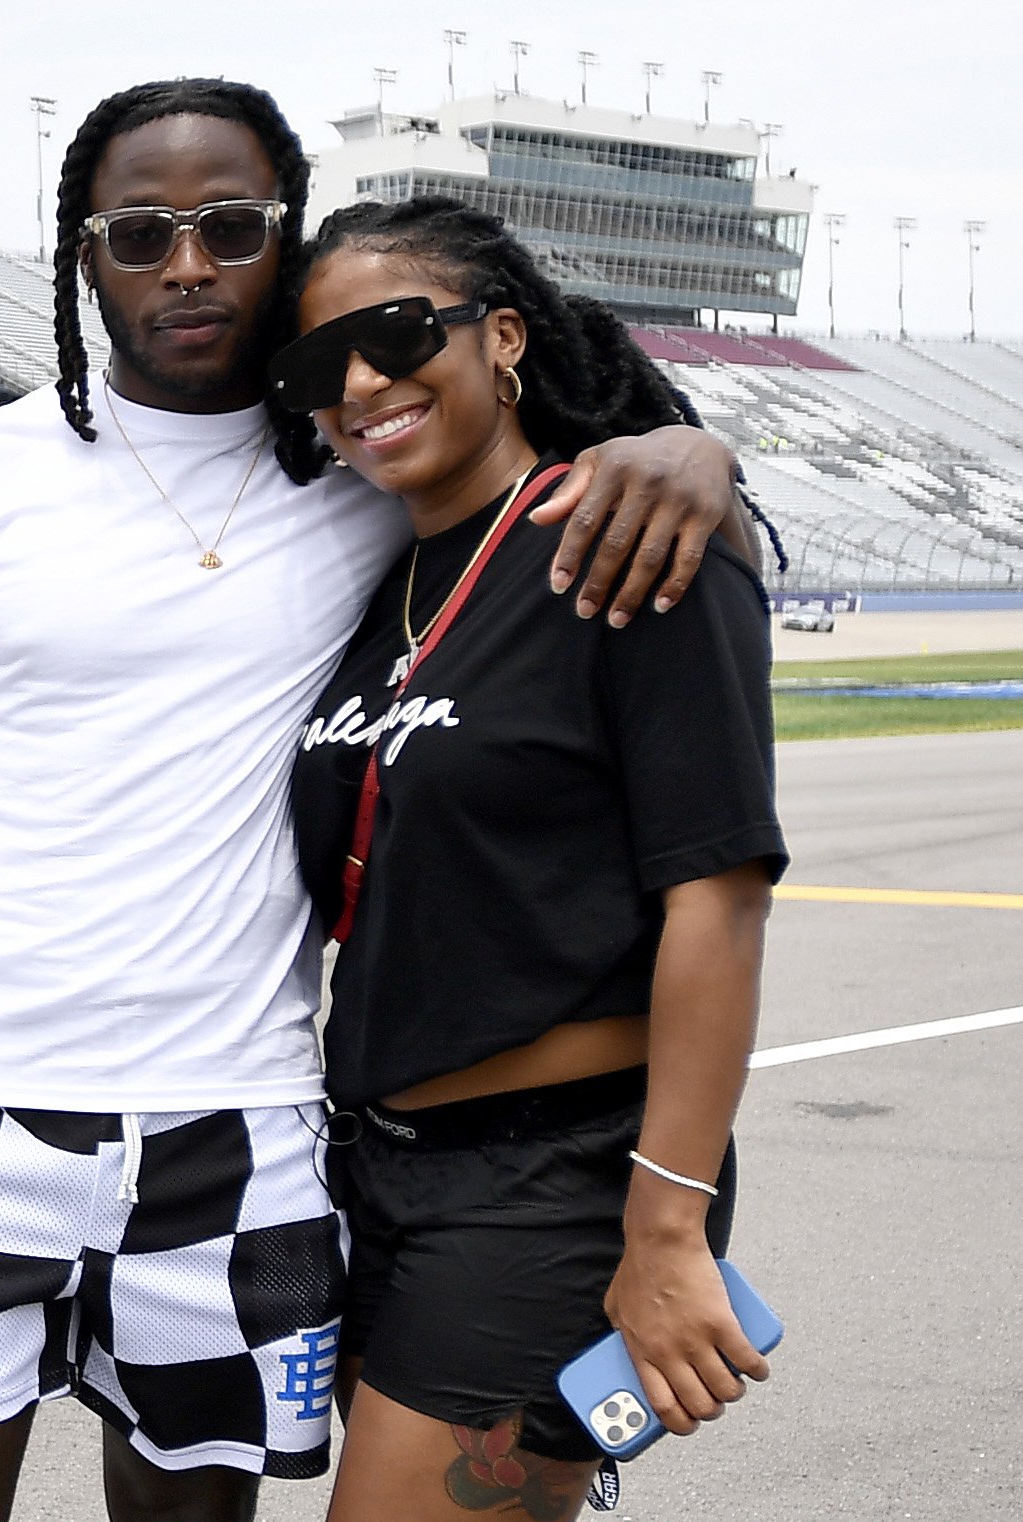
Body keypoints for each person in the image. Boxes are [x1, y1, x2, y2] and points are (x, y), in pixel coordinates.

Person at [0, 80, 753, 1522]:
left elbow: (545, 466)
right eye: (139, 232)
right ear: (85, 257)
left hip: (244, 1121)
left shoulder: (360, 470)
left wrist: (691, 448)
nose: (189, 262)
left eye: (230, 225)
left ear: (283, 242)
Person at [282, 196, 787, 1521]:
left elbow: (721, 902)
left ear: (504, 337)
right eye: (315, 364)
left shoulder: (625, 540)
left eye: (393, 334)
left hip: (560, 1177)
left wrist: (666, 1226)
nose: (357, 385)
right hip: (376, 1166)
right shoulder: (377, 586)